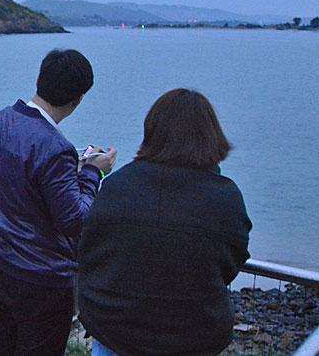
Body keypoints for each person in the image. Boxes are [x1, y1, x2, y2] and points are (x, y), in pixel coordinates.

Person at [77, 89, 253, 356]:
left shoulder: (117, 187)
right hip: (194, 335)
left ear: (152, 130)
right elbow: (232, 261)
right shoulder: (225, 198)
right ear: (211, 136)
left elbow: (89, 250)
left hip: (115, 331)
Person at [0, 49, 116, 355]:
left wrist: (73, 174)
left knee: (3, 347)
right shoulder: (54, 146)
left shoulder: (3, 120)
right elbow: (73, 220)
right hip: (42, 279)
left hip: (3, 263)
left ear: (40, 79)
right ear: (78, 99)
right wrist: (93, 172)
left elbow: (22, 183)